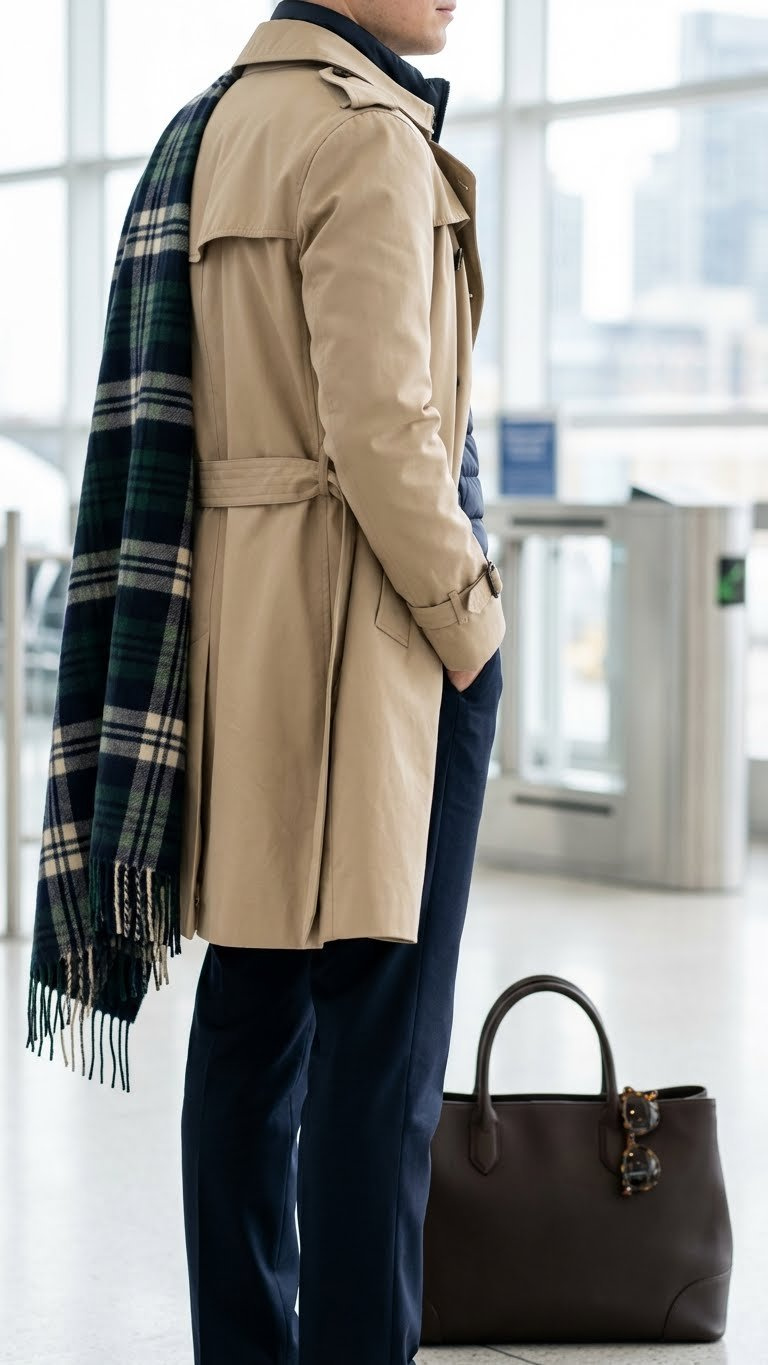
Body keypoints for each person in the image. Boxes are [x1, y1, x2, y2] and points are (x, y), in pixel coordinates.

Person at [179, 3, 506, 1362]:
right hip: (374, 640)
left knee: (252, 1024)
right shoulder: (365, 135)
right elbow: (387, 431)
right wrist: (471, 624)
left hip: (243, 626)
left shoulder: (218, 126)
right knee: (382, 1047)